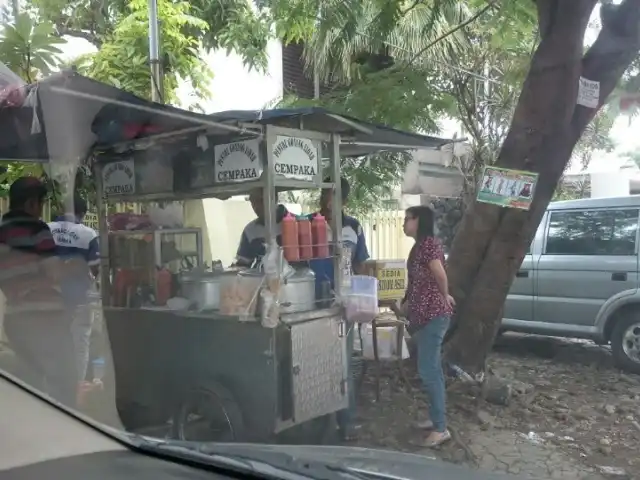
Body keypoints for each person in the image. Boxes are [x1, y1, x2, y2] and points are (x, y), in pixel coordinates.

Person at [0, 177, 77, 407]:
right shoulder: (37, 229)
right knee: (64, 378)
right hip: (45, 317)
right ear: (32, 203)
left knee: (29, 380)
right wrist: (72, 267)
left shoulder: (2, 232)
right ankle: (66, 425)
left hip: (15, 318)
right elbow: (53, 272)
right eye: (41, 203)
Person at [308, 177, 369, 441]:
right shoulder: (308, 223)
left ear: (344, 200)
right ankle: (318, 421)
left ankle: (347, 421)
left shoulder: (353, 227)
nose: (328, 200)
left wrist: (360, 298)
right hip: (312, 304)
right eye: (325, 194)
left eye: (334, 196)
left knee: (342, 364)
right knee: (315, 364)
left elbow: (360, 265)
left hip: (343, 306)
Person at [401, 205, 455, 447]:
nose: (403, 223)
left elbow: (440, 274)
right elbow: (416, 286)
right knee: (431, 370)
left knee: (429, 370)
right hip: (424, 317)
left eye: (407, 219)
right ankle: (436, 419)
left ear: (418, 221)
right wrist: (400, 306)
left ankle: (441, 428)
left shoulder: (428, 245)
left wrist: (445, 296)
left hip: (434, 316)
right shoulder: (418, 247)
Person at [48, 194, 99, 385]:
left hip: (51, 296)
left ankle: (51, 385)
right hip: (80, 297)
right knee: (80, 342)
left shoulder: (46, 230)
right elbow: (95, 268)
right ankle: (77, 386)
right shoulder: (88, 234)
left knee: (52, 340)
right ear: (83, 213)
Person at [235, 189, 289, 267]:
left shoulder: (296, 224)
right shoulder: (250, 230)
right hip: (263, 277)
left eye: (260, 201)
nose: (256, 206)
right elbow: (242, 264)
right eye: (253, 202)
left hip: (295, 277)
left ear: (275, 199)